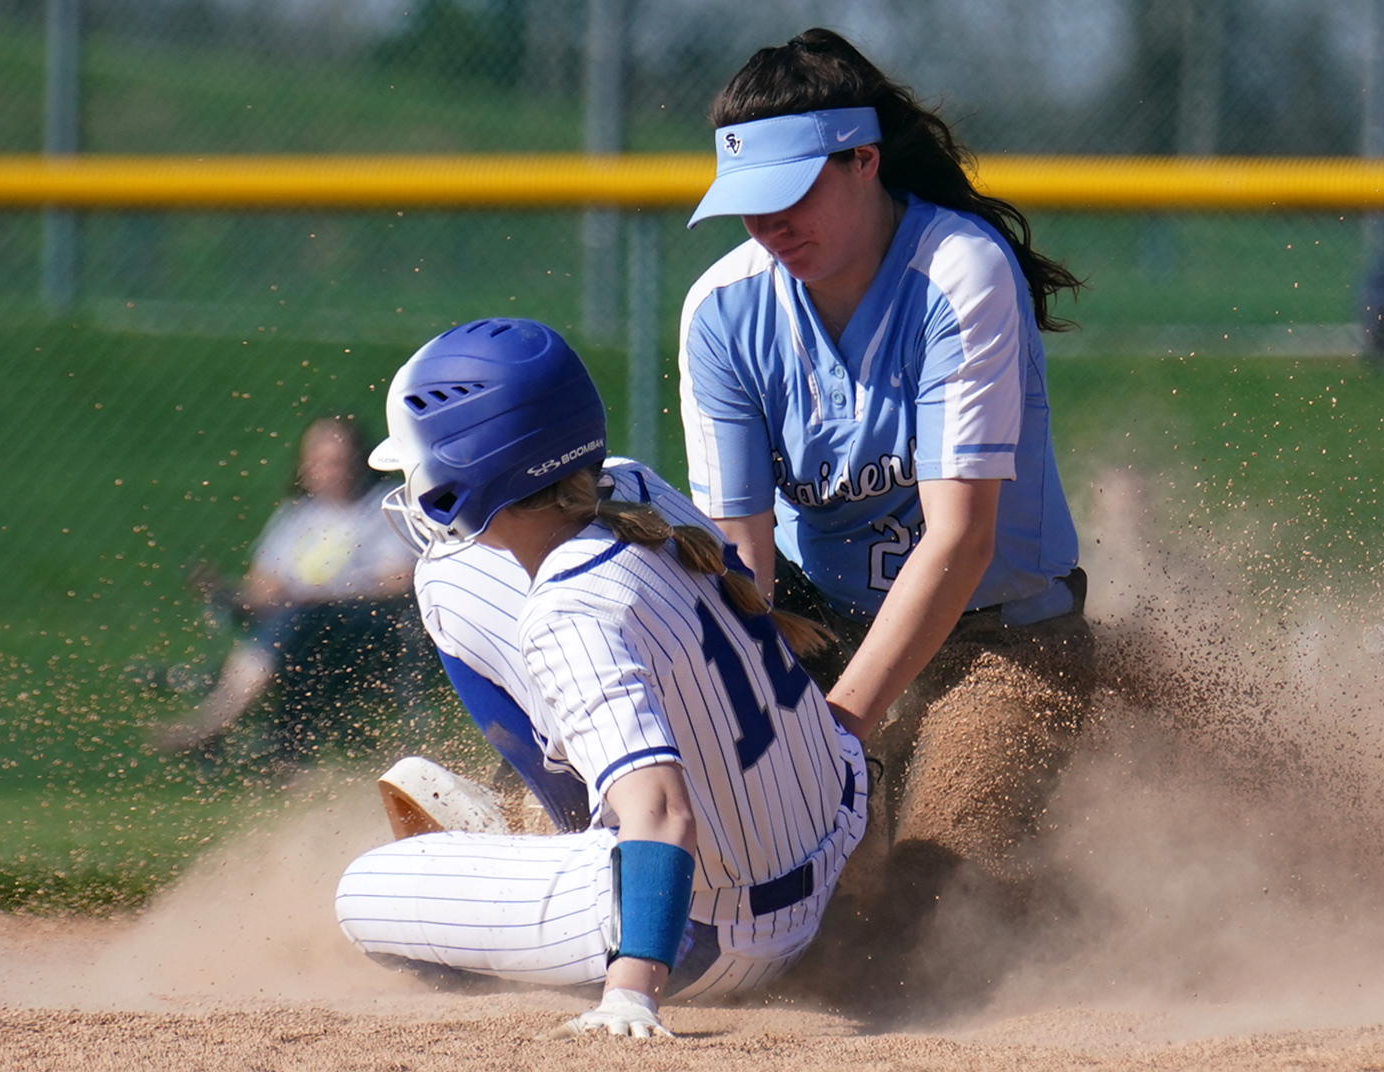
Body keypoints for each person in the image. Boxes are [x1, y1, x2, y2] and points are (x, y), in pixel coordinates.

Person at [335, 318, 866, 1038]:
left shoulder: (565, 611)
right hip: (840, 825)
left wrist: (631, 991)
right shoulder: (643, 493)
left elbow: (663, 813)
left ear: (464, 475)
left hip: (724, 939)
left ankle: (555, 852)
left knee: (364, 892)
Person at [678, 29, 1092, 875]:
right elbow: (742, 563)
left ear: (863, 160)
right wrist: (747, 730)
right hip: (820, 628)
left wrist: (831, 734)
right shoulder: (722, 309)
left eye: (790, 191)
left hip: (999, 644)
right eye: (746, 200)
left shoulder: (957, 272)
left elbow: (961, 540)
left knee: (923, 906)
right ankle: (540, 825)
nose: (766, 224)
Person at [154, 417, 415, 767]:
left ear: (358, 461)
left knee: (297, 618)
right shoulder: (297, 516)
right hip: (294, 628)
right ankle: (251, 737)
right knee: (288, 620)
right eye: (316, 461)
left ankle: (216, 721)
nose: (325, 471)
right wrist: (230, 592)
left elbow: (400, 579)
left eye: (336, 461)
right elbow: (266, 583)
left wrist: (322, 594)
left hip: (361, 630)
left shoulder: (382, 507)